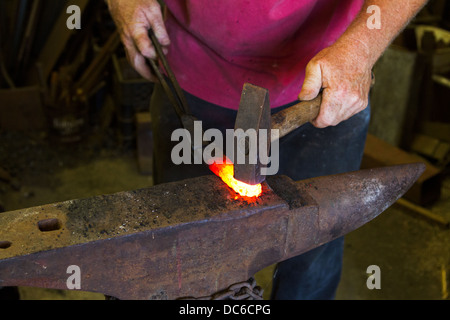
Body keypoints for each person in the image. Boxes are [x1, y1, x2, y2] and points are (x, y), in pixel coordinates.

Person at [106, 0, 428, 300]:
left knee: (311, 257)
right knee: (183, 257)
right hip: (191, 75)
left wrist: (362, 46)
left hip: (329, 80)